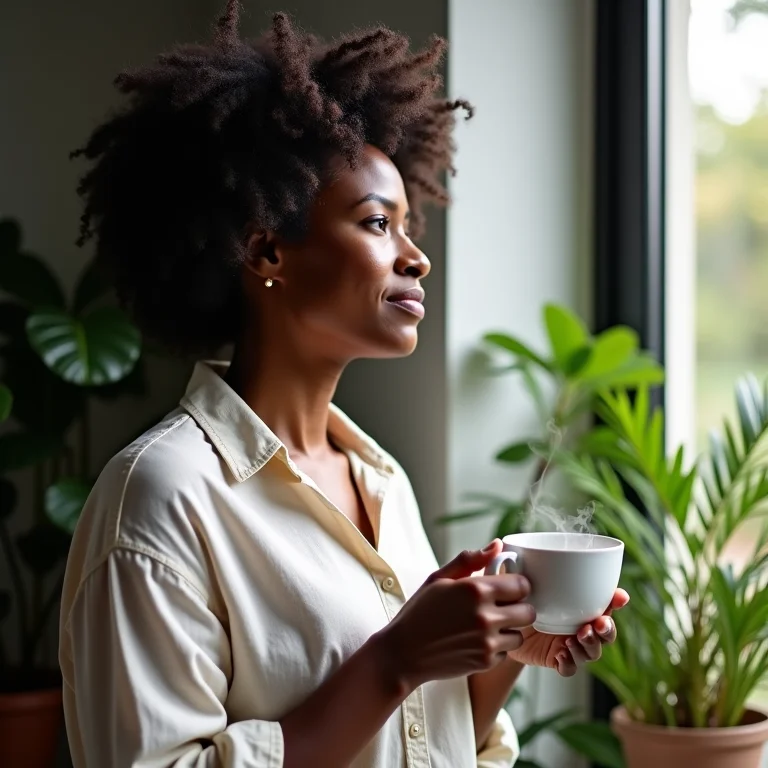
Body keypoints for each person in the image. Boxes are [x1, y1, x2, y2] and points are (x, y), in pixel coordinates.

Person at [59, 4, 629, 767]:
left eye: (408, 226)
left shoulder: (377, 478)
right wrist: (394, 660)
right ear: (267, 250)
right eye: (374, 223)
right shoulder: (160, 499)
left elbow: (423, 732)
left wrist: (500, 652)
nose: (415, 257)